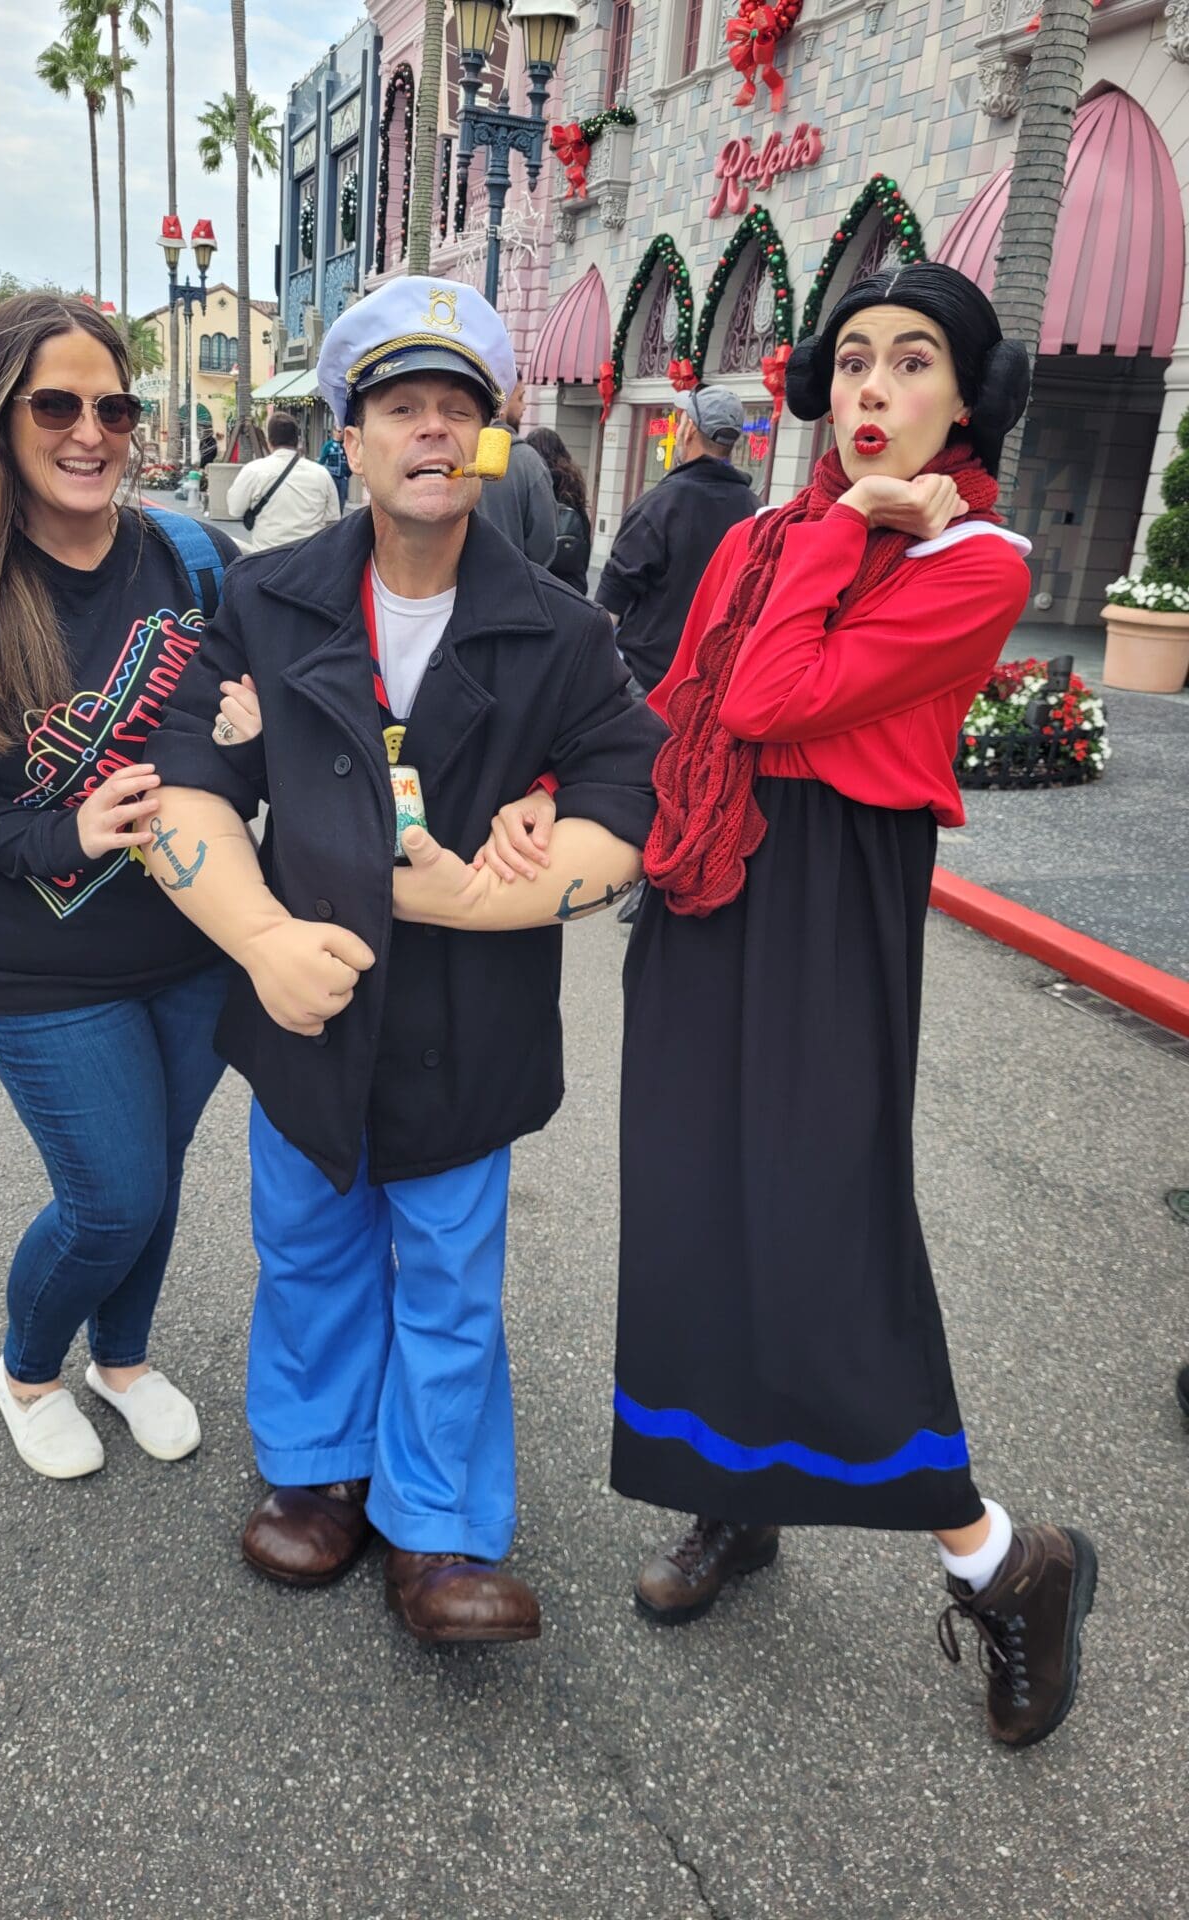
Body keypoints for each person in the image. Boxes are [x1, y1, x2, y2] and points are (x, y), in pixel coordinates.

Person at [589, 263, 1096, 1750]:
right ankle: (733, 1501)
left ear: (963, 397)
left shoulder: (978, 563)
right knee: (690, 1203)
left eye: (913, 362)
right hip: (707, 893)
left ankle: (1009, 1562)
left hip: (831, 909)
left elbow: (768, 698)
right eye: (854, 360)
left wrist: (855, 528)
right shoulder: (757, 532)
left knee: (822, 1231)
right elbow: (684, 701)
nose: (873, 389)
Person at [143, 275, 663, 1645]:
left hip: (468, 1025)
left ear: (490, 439)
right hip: (303, 1010)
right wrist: (257, 938)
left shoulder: (565, 630)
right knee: (307, 1246)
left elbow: (627, 810)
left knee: (445, 1275)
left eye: (459, 410)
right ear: (351, 440)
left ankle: (439, 1532)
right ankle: (317, 1472)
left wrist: (472, 904)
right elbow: (186, 782)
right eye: (399, 408)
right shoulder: (262, 602)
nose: (431, 432)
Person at [0, 292, 239, 1481]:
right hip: (44, 968)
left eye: (114, 406)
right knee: (110, 1197)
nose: (92, 430)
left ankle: (120, 1361)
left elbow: (290, 687)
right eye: (57, 404)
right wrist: (61, 832)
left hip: (194, 944)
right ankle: (28, 1367)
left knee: (162, 1175)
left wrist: (259, 725)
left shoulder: (190, 558)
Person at [596, 386, 760, 698]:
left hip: (646, 683)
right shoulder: (754, 512)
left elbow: (609, 606)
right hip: (712, 687)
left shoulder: (659, 505)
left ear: (689, 431)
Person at [225, 410, 340, 552]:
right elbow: (332, 520)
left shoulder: (253, 471)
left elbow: (234, 509)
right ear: (297, 440)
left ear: (269, 441)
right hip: (309, 559)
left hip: (267, 558)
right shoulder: (321, 474)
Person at [473, 381, 556, 567]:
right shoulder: (529, 463)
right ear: (500, 406)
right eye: (520, 398)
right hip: (512, 584)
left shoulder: (458, 454)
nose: (525, 406)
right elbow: (544, 542)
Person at [526, 426, 592, 594]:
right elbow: (584, 529)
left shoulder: (533, 481)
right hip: (572, 582)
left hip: (542, 581)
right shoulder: (572, 481)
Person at [318, 423, 351, 508]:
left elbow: (350, 460)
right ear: (334, 431)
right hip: (332, 477)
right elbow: (321, 461)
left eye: (342, 432)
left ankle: (340, 518)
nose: (341, 434)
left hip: (343, 478)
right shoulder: (328, 445)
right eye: (339, 431)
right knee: (331, 500)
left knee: (341, 501)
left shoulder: (345, 445)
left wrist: (347, 474)